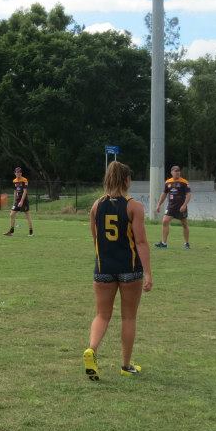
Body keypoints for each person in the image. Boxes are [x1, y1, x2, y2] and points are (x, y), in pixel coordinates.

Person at [83, 161, 152, 381]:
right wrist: (148, 273)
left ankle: (91, 350)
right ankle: (125, 365)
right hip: (129, 269)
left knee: (102, 315)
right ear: (126, 180)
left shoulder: (96, 206)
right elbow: (141, 242)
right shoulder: (134, 206)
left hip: (103, 268)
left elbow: (95, 239)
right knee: (128, 317)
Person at [153, 165, 192, 249]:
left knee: (184, 224)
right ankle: (164, 243)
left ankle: (186, 243)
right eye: (175, 171)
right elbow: (164, 194)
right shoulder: (168, 182)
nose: (177, 173)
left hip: (181, 207)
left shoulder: (184, 182)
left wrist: (184, 205)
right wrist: (159, 205)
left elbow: (188, 195)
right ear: (171, 172)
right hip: (171, 207)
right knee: (165, 221)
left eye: (178, 171)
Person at [4, 166, 33, 236]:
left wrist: (22, 201)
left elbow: (25, 191)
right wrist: (14, 202)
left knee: (27, 215)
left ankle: (31, 232)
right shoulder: (14, 181)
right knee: (11, 214)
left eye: (20, 172)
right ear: (15, 173)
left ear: (21, 173)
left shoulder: (24, 180)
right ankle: (11, 231)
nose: (18, 173)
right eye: (17, 172)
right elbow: (15, 191)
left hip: (24, 200)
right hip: (17, 200)